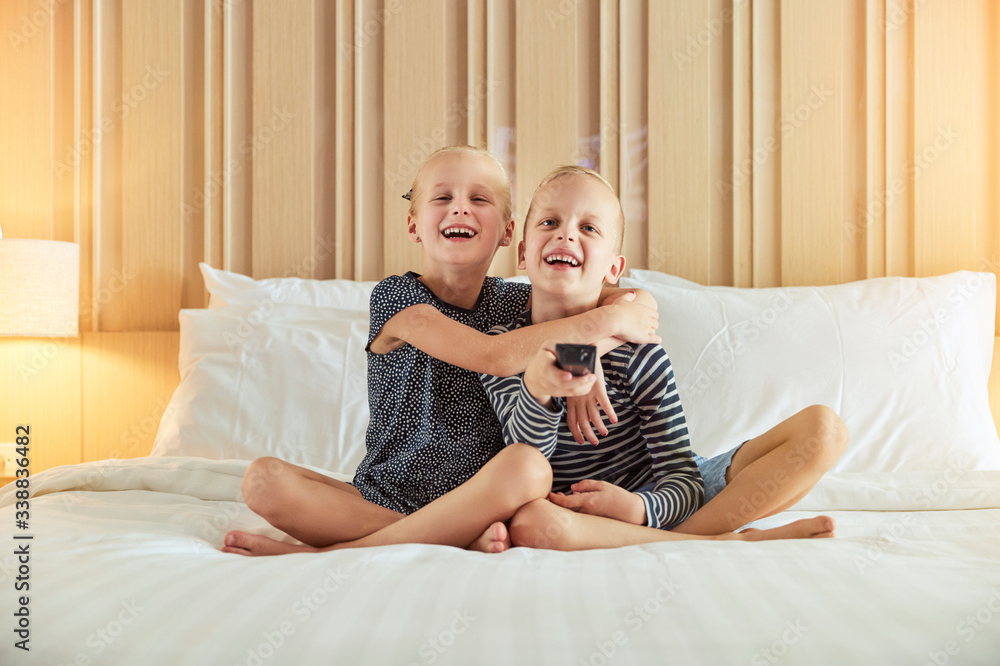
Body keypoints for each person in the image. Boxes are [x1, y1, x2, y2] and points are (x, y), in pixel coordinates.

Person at [222, 145, 660, 556]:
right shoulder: (397, 299)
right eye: (442, 197)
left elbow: (628, 300)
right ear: (413, 226)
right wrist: (601, 331)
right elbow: (494, 355)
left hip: (481, 497)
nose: (460, 207)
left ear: (509, 234)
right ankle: (447, 538)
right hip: (383, 494)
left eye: (479, 199)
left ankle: (335, 553)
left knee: (528, 467)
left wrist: (592, 349)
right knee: (263, 481)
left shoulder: (514, 303)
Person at [480, 166, 848, 550]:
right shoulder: (506, 347)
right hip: (566, 511)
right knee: (530, 524)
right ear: (522, 254)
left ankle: (686, 538)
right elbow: (524, 460)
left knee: (825, 431)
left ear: (613, 269)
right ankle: (722, 539)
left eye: (589, 228)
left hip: (661, 498)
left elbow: (682, 477)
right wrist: (541, 390)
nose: (566, 233)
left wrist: (638, 507)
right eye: (550, 221)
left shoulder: (638, 350)